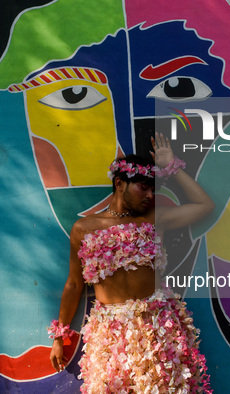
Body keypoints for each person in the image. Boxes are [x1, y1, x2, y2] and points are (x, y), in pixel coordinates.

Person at [48, 133, 214, 393]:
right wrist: (60, 337)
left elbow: (204, 206)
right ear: (119, 184)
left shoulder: (154, 220)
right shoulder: (84, 228)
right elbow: (73, 285)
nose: (149, 195)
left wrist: (172, 166)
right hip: (109, 335)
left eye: (152, 189)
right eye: (142, 187)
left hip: (157, 328)